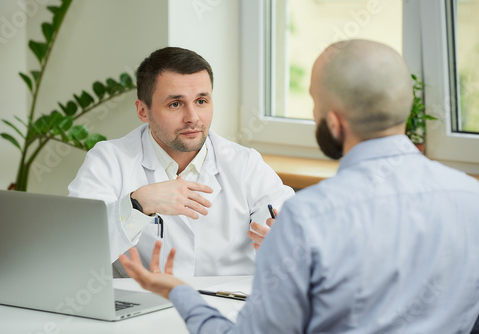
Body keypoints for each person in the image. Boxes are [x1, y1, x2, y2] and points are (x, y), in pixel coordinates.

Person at [118, 39, 479, 333]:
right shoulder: (471, 198)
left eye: (315, 105)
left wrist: (180, 293)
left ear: (334, 123)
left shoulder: (310, 216)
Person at [68, 47, 294, 277]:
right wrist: (138, 205)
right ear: (143, 111)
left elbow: (289, 226)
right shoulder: (109, 161)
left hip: (229, 306)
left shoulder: (245, 164)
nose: (193, 117)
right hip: (144, 307)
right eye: (175, 104)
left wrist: (284, 240)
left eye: (201, 101)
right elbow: (75, 251)